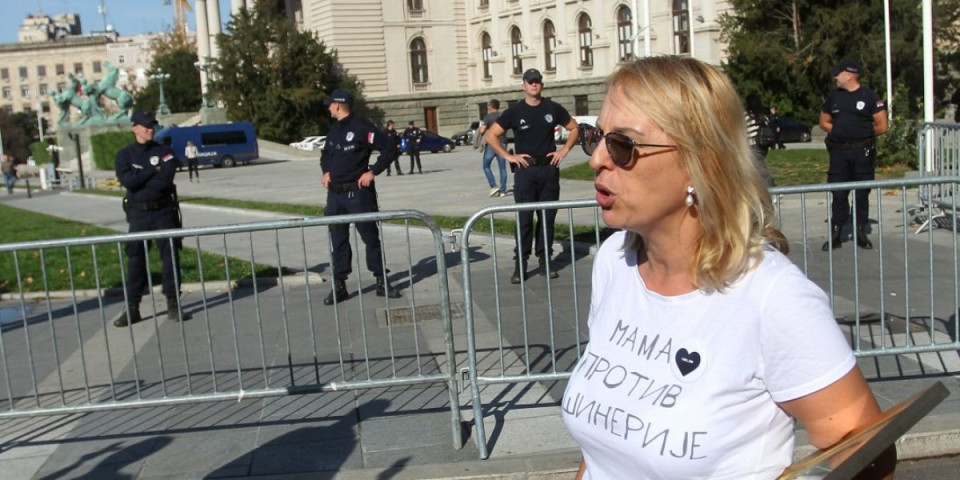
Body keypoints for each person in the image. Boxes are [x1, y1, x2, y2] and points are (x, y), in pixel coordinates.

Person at [562, 55, 895, 480]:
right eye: (598, 137)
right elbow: (600, 457)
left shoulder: (771, 296)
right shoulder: (615, 261)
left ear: (701, 162)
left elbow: (868, 453)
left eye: (623, 145)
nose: (596, 160)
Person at [484, 68, 579, 283]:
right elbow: (491, 135)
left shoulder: (552, 108)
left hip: (548, 170)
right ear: (523, 85)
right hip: (526, 171)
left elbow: (574, 128)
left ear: (541, 84)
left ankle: (545, 261)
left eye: (537, 81)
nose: (534, 85)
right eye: (530, 82)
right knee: (525, 219)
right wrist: (509, 156)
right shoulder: (514, 111)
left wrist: (564, 151)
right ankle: (521, 264)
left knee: (547, 218)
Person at [320, 87, 402, 305]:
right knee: (338, 241)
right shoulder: (334, 130)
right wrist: (326, 171)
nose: (328, 107)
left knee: (370, 238)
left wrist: (372, 171)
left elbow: (391, 148)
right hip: (335, 196)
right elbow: (326, 156)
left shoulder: (362, 128)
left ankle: (381, 281)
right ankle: (339, 285)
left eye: (330, 104)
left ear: (337, 105)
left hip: (358, 195)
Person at [115, 110, 184, 327]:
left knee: (170, 258)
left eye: (152, 125)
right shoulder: (125, 154)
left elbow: (165, 180)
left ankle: (173, 304)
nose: (150, 129)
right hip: (139, 215)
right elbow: (129, 182)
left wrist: (143, 176)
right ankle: (133, 307)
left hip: (164, 212)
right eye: (145, 126)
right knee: (136, 261)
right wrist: (151, 170)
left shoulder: (165, 151)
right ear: (134, 128)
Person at [820, 60, 888, 251]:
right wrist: (840, 131)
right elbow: (824, 122)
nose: (835, 77)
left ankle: (860, 231)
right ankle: (836, 233)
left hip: (862, 151)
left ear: (849, 75)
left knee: (862, 192)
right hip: (839, 151)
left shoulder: (869, 96)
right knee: (838, 192)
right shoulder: (833, 97)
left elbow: (882, 125)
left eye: (837, 74)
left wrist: (862, 133)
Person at [478, 99, 509, 197]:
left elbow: (482, 131)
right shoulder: (503, 116)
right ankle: (503, 190)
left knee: (486, 165)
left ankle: (494, 186)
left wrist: (483, 128)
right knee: (502, 168)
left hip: (492, 144)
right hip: (503, 143)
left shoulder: (488, 117)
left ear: (490, 106)